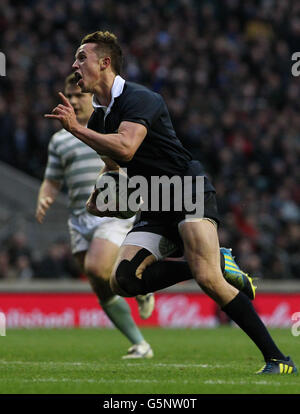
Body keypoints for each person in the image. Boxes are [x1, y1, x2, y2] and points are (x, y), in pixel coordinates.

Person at [45, 31, 297, 375]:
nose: (75, 65)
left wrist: (75, 129)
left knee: (208, 280)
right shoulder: (103, 117)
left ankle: (279, 359)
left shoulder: (141, 98)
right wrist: (98, 198)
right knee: (122, 280)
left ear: (105, 63)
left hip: (187, 190)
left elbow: (126, 148)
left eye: (81, 57)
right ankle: (218, 264)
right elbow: (114, 166)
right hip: (156, 203)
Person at [37, 73, 155, 359]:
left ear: (91, 95)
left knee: (96, 267)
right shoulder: (59, 140)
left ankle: (139, 280)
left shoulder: (109, 125)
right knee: (101, 286)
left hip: (109, 214)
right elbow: (53, 178)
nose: (75, 100)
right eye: (70, 95)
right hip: (78, 219)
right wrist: (45, 195)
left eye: (80, 95)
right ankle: (141, 344)